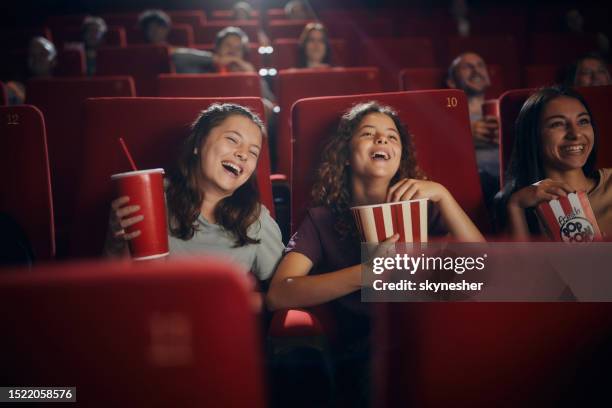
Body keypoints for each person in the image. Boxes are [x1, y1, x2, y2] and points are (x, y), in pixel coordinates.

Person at [266, 101, 484, 405]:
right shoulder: (321, 220)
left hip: (438, 338)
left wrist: (444, 196)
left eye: (392, 137)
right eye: (368, 134)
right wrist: (367, 273)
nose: (382, 139)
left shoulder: (427, 209)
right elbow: (279, 293)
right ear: (344, 156)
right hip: (369, 350)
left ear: (400, 158)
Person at [105, 103, 284, 293]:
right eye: (232, 139)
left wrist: (250, 303)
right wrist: (116, 243)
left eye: (253, 152)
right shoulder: (151, 200)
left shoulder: (255, 220)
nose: (243, 154)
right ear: (198, 143)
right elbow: (113, 291)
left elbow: (282, 294)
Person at [496, 86, 611, 239]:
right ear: (533, 136)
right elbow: (519, 263)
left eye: (583, 121)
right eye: (557, 124)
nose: (576, 134)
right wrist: (516, 206)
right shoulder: (518, 202)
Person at [447, 51, 500, 205]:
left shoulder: (506, 108)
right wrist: (465, 137)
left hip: (511, 177)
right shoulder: (445, 117)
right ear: (451, 81)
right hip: (476, 183)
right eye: (467, 67)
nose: (476, 71)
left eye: (480, 66)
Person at [5, 36, 57, 105]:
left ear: (54, 60)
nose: (36, 58)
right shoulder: (14, 89)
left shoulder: (65, 89)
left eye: (42, 53)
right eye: (32, 54)